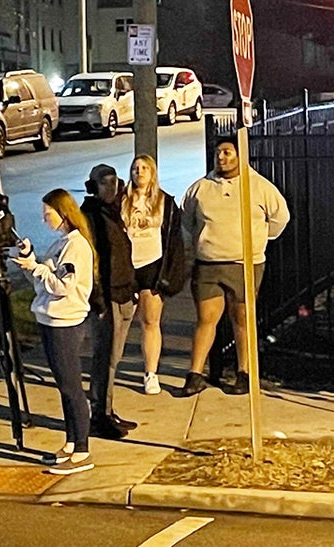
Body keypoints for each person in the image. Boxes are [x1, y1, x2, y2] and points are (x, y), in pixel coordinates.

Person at [182, 137, 290, 396]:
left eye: (228, 152)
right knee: (206, 319)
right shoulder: (201, 188)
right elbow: (187, 220)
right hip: (208, 264)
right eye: (218, 152)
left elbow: (280, 218)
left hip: (243, 264)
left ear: (240, 156)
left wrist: (257, 242)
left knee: (242, 319)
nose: (221, 157)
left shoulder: (260, 187)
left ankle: (245, 372)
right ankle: (195, 374)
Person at [12, 189, 97, 475]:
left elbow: (62, 286)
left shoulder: (76, 247)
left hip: (65, 324)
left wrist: (37, 268)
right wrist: (30, 259)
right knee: (64, 387)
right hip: (50, 320)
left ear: (63, 213)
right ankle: (71, 443)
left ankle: (82, 448)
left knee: (71, 387)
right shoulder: (61, 244)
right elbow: (41, 282)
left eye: (47, 212)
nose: (43, 217)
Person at [80, 164, 138, 440]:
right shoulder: (90, 217)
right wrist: (98, 299)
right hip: (107, 297)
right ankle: (98, 414)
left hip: (125, 292)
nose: (111, 188)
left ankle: (108, 409)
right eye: (105, 183)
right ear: (93, 186)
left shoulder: (114, 213)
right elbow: (91, 262)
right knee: (104, 359)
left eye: (115, 183)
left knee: (113, 358)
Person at [122, 154, 187, 397]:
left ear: (153, 173)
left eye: (144, 168)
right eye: (135, 168)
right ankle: (108, 368)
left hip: (152, 267)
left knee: (150, 322)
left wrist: (170, 275)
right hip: (126, 269)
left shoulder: (164, 202)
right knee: (120, 323)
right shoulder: (122, 200)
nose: (139, 172)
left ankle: (150, 373)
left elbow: (174, 241)